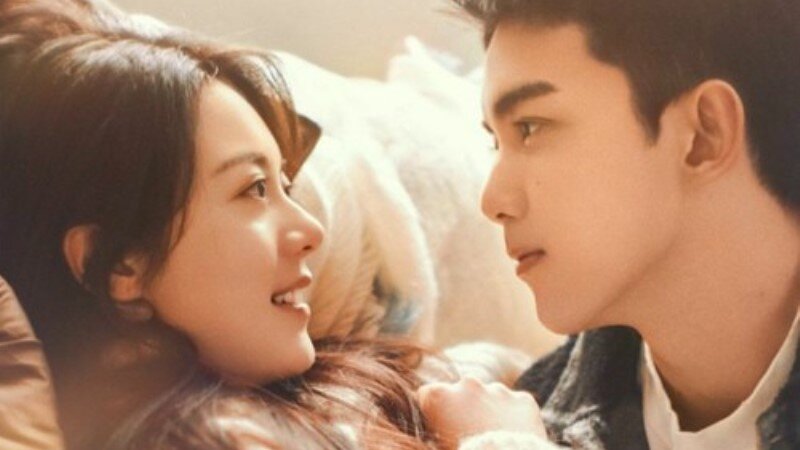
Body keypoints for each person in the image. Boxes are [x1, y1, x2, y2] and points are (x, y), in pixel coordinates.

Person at [0, 1, 454, 448]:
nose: (311, 231)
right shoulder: (204, 437)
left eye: (286, 187)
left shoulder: (330, 388)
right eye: (254, 189)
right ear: (119, 263)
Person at [419, 0, 800, 449]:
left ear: (703, 134)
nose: (493, 201)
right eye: (496, 143)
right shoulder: (527, 414)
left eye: (530, 127)